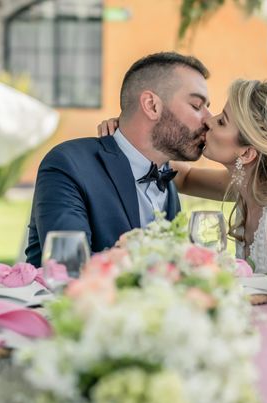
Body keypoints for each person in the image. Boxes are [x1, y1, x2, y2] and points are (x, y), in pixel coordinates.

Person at [100, 79, 267, 282]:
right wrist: (132, 134)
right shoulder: (248, 186)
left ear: (248, 152)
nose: (208, 121)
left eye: (221, 121)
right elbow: (183, 178)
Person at [25, 52, 211, 267]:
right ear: (151, 105)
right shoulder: (69, 164)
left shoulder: (167, 175)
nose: (208, 119)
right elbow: (69, 266)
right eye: (197, 106)